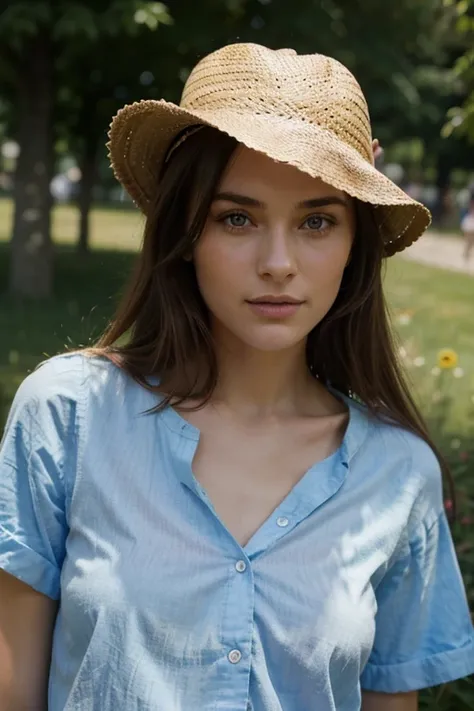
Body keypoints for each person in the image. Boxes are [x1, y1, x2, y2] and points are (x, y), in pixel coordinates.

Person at [1, 43, 473, 711]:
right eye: (237, 218)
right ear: (185, 230)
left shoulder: (399, 476)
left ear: (353, 242)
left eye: (316, 220)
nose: (277, 262)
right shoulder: (68, 415)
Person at [461, 191, 474, 262]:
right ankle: (466, 254)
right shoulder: (470, 205)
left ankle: (467, 253)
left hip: (469, 223)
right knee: (469, 240)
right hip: (470, 223)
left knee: (470, 241)